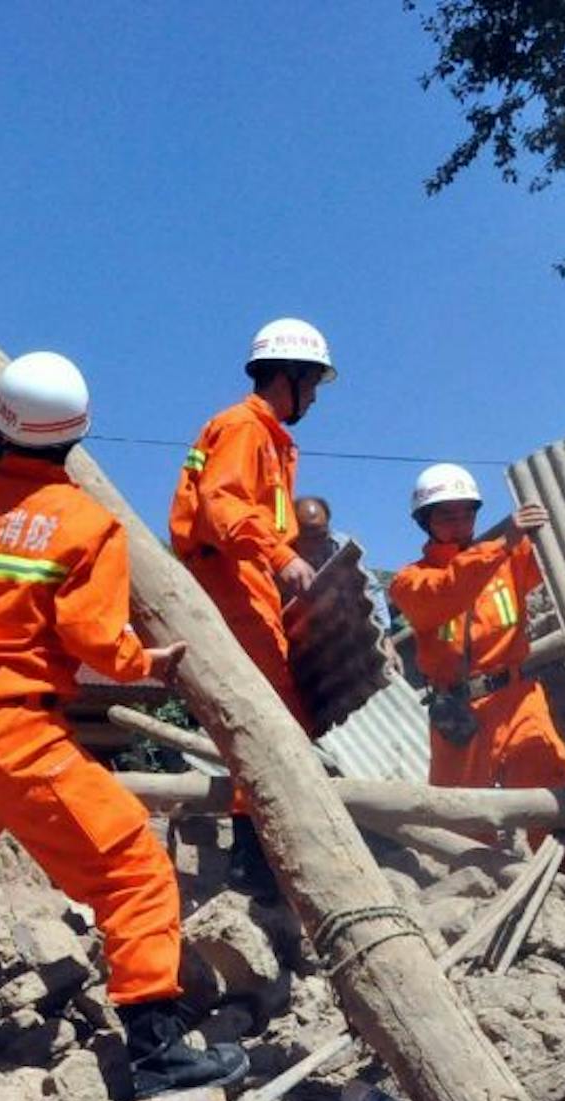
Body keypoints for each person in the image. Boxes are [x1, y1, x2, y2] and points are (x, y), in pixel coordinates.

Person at [0, 352, 250, 1098]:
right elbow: (93, 639)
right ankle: (156, 1054)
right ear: (77, 436)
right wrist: (145, 660)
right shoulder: (87, 523)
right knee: (133, 868)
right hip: (18, 734)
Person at [168, 318, 336, 900]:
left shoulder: (264, 437)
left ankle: (258, 852)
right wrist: (280, 556)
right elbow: (221, 505)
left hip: (243, 578)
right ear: (287, 377)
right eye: (311, 383)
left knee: (277, 718)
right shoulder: (245, 429)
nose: (314, 397)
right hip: (231, 580)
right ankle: (255, 859)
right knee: (271, 720)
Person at [387, 463, 565, 888]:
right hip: (458, 710)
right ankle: (474, 894)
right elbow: (447, 590)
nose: (459, 521)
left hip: (517, 694)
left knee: (549, 789)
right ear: (424, 521)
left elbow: (559, 550)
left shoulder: (511, 558)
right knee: (461, 814)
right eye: (446, 514)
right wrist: (502, 541)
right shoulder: (410, 581)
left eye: (466, 512)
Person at [294, 494, 389, 628]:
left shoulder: (340, 546)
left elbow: (370, 586)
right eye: (309, 536)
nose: (316, 542)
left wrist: (385, 633)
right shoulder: (277, 555)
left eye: (321, 534)